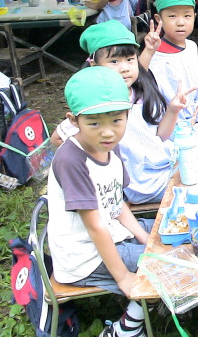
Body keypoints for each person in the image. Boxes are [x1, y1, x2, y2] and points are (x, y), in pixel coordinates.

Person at [47, 65, 152, 337]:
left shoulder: (108, 147)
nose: (108, 132)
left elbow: (117, 204)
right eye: (94, 123)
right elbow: (95, 227)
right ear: (74, 120)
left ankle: (148, 295)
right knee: (164, 265)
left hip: (111, 232)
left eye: (116, 121)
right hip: (84, 256)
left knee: (167, 233)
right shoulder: (72, 160)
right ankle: (126, 327)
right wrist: (123, 277)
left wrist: (145, 237)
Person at [51, 20, 188, 205]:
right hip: (144, 183)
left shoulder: (137, 91)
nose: (124, 68)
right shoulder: (98, 107)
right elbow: (57, 139)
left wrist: (172, 110)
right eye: (114, 61)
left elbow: (160, 136)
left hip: (164, 164)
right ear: (94, 64)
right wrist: (93, 169)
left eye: (130, 59)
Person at [148, 0, 198, 121]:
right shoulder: (155, 56)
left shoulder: (192, 47)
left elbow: (190, 83)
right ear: (159, 19)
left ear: (194, 17)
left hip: (197, 116)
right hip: (172, 127)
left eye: (187, 15)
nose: (181, 22)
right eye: (172, 16)